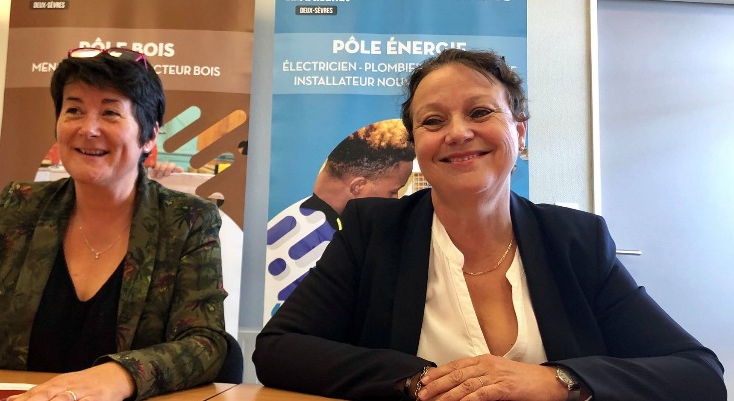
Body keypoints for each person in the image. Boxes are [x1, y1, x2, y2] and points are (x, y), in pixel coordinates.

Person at [252, 48, 725, 401]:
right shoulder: (373, 230)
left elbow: (698, 373)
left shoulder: (575, 241)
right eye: (433, 121)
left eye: (480, 112)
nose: (458, 133)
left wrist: (558, 381)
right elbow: (278, 350)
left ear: (519, 130)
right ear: (417, 146)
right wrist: (419, 381)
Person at [0, 48, 227, 401]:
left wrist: (122, 376)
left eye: (110, 113)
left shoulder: (186, 220)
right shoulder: (17, 210)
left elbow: (205, 343)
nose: (89, 129)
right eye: (74, 110)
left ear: (149, 136)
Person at [264, 120, 414, 318]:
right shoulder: (321, 246)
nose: (396, 200)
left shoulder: (292, 218)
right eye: (393, 191)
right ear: (358, 186)